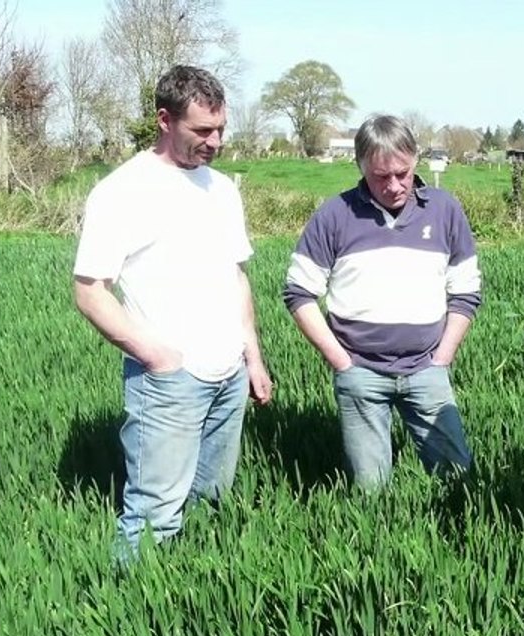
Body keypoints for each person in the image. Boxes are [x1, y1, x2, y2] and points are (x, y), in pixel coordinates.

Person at [72, 64, 273, 555]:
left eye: (221, 128)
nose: (216, 141)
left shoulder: (223, 190)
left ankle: (193, 599)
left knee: (211, 500)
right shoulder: (122, 191)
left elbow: (236, 275)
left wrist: (252, 355)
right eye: (202, 130)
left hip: (228, 375)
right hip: (168, 380)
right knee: (154, 512)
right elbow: (89, 290)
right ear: (165, 120)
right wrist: (158, 356)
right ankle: (130, 615)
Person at [283, 115, 481, 491]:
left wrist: (443, 358)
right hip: (360, 373)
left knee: (459, 482)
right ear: (360, 166)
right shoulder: (334, 215)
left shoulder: (444, 210)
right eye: (380, 176)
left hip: (427, 371)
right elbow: (299, 292)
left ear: (415, 161)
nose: (393, 186)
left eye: (402, 174)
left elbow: (466, 291)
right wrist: (341, 362)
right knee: (371, 490)